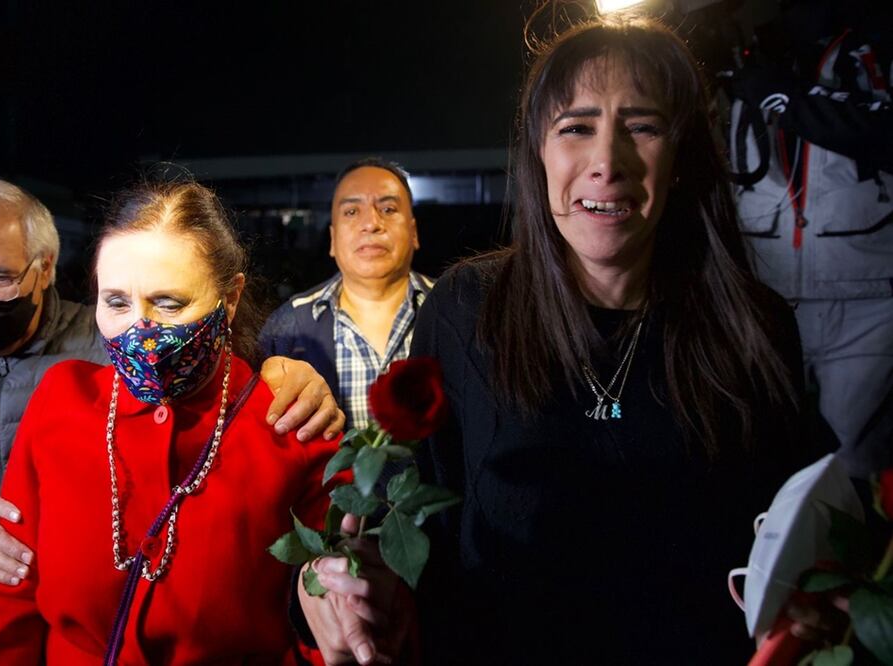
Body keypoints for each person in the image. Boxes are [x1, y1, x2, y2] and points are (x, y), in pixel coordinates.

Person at [304, 17, 827, 665]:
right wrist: (336, 580)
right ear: (537, 153)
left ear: (683, 157)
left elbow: (808, 537)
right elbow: (408, 515)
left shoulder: (753, 324)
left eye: (642, 126)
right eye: (575, 127)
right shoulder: (465, 310)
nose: (606, 163)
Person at [0, 176, 345, 666]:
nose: (140, 330)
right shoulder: (62, 399)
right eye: (117, 302)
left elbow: (333, 617)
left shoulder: (291, 423)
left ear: (229, 299)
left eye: (169, 303)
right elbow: (9, 598)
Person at [727, 0, 893, 481]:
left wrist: (788, 100)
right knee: (756, 461)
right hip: (761, 294)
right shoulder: (752, 47)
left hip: (868, 300)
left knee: (855, 470)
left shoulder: (879, 41)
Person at [260, 158, 432, 428]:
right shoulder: (287, 327)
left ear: (414, 232)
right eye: (352, 212)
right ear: (332, 239)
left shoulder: (455, 311)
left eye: (388, 209)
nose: (372, 223)